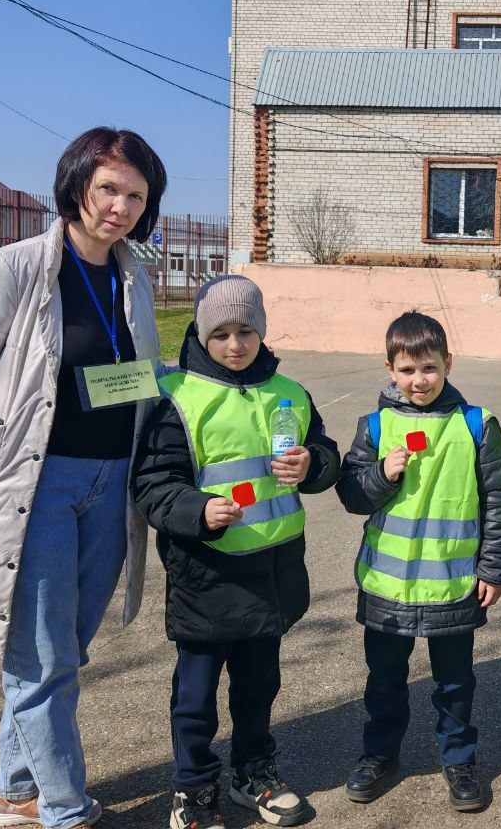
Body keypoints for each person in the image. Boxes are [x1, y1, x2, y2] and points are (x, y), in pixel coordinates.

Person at [0, 127, 167, 829]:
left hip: (111, 486)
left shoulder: (135, 278)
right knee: (43, 657)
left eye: (136, 196)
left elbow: (138, 378)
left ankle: (13, 791)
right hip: (34, 487)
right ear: (76, 184)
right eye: (108, 189)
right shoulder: (14, 269)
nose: (120, 207)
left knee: (63, 650)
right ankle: (63, 808)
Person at [132, 275, 341, 829]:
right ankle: (194, 787)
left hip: (272, 572)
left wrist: (313, 464)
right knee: (195, 697)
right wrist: (197, 511)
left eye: (246, 331)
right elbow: (154, 483)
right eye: (221, 333)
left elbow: (324, 454)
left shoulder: (290, 393)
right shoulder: (177, 396)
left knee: (259, 688)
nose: (235, 344)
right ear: (202, 334)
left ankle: (254, 773)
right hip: (205, 574)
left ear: (262, 331)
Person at [336, 311, 501, 813]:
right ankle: (379, 754)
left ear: (447, 364)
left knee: (455, 683)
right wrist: (382, 474)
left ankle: (458, 759)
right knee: (384, 681)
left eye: (430, 368)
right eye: (408, 369)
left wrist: (494, 568)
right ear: (390, 369)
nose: (419, 380)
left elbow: (499, 499)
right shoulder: (375, 426)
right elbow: (351, 495)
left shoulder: (477, 425)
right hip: (387, 586)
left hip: (454, 585)